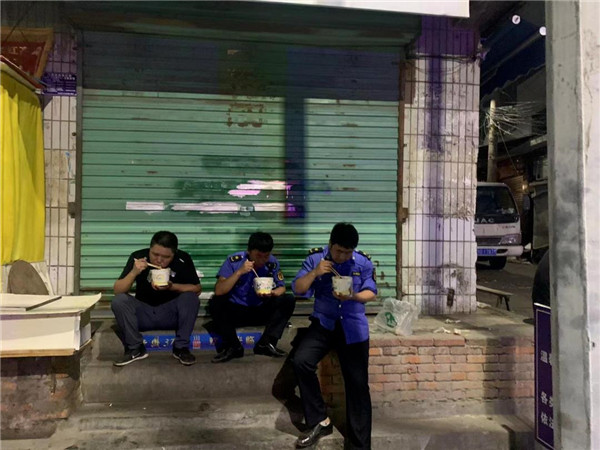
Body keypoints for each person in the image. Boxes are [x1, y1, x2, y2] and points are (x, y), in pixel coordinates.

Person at [291, 223, 377, 449]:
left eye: (348, 252)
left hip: (353, 327)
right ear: (330, 244)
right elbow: (298, 288)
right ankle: (319, 420)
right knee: (301, 361)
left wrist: (353, 296)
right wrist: (315, 273)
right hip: (324, 324)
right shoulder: (316, 259)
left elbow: (371, 292)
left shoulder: (363, 262)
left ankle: (359, 445)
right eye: (339, 251)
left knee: (358, 384)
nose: (342, 256)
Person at [112, 231, 201, 367]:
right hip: (143, 314)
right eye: (155, 254)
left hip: (171, 315)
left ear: (174, 254)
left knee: (190, 298)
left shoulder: (183, 259)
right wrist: (134, 272)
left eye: (166, 257)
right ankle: (135, 348)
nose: (159, 260)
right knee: (119, 301)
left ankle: (181, 348)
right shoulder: (138, 257)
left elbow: (197, 288)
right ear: (150, 249)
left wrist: (172, 287)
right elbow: (117, 290)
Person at [209, 232, 296, 363]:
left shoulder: (272, 263)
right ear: (249, 251)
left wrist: (272, 293)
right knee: (216, 302)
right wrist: (239, 272)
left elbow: (282, 287)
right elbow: (219, 290)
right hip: (236, 311)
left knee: (288, 300)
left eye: (266, 256)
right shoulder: (235, 261)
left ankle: (266, 343)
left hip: (260, 309)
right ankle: (234, 347)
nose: (262, 260)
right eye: (258, 256)